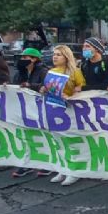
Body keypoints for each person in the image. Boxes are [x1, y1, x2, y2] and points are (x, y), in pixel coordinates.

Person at [45, 46, 86, 186]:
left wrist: (71, 96)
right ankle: (63, 168)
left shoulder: (75, 72)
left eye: (59, 55)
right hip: (55, 109)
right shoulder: (51, 72)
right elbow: (47, 89)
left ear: (66, 57)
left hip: (72, 111)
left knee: (73, 141)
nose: (55, 57)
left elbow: (82, 91)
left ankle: (75, 171)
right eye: (54, 54)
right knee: (59, 141)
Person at [10, 48, 50, 178]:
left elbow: (46, 87)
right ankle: (27, 164)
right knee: (26, 136)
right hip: (23, 107)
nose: (23, 60)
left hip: (39, 107)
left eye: (26, 58)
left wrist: (30, 86)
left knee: (42, 136)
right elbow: (15, 85)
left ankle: (46, 162)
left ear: (34, 59)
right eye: (22, 58)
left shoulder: (43, 71)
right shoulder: (20, 72)